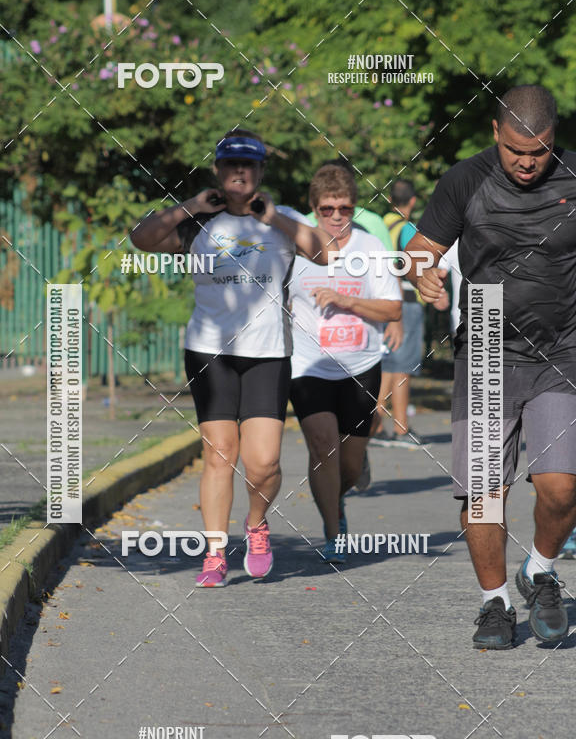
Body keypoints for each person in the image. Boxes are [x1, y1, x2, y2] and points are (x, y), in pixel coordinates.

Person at [406, 84, 576, 648]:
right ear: (495, 134)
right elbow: (422, 247)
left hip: (563, 346)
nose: (527, 163)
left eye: (539, 152)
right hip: (485, 339)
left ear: (554, 138)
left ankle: (540, 570)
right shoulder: (464, 179)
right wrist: (423, 273)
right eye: (515, 151)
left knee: (561, 487)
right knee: (483, 492)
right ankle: (495, 603)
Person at [130, 130, 336, 587]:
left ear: (261, 171)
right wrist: (190, 205)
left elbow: (325, 252)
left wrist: (274, 217)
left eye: (249, 165)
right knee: (219, 454)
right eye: (230, 164)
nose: (239, 172)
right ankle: (215, 553)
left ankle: (256, 524)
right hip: (210, 352)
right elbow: (141, 239)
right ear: (218, 170)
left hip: (267, 354)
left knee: (264, 463)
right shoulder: (199, 221)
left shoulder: (281, 219)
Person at [287, 164, 402, 562]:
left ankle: (340, 491)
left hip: (361, 366)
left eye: (345, 209)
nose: (336, 217)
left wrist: (346, 300)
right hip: (308, 366)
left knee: (349, 465)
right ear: (313, 208)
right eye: (327, 209)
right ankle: (333, 533)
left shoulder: (370, 248)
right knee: (323, 447)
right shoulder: (293, 247)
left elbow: (392, 308)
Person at [371, 180, 448, 448]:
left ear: (390, 199)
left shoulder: (381, 225)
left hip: (381, 300)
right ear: (412, 201)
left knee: (388, 364)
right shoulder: (407, 229)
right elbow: (416, 263)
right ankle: (401, 428)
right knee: (404, 365)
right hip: (406, 300)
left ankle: (374, 424)